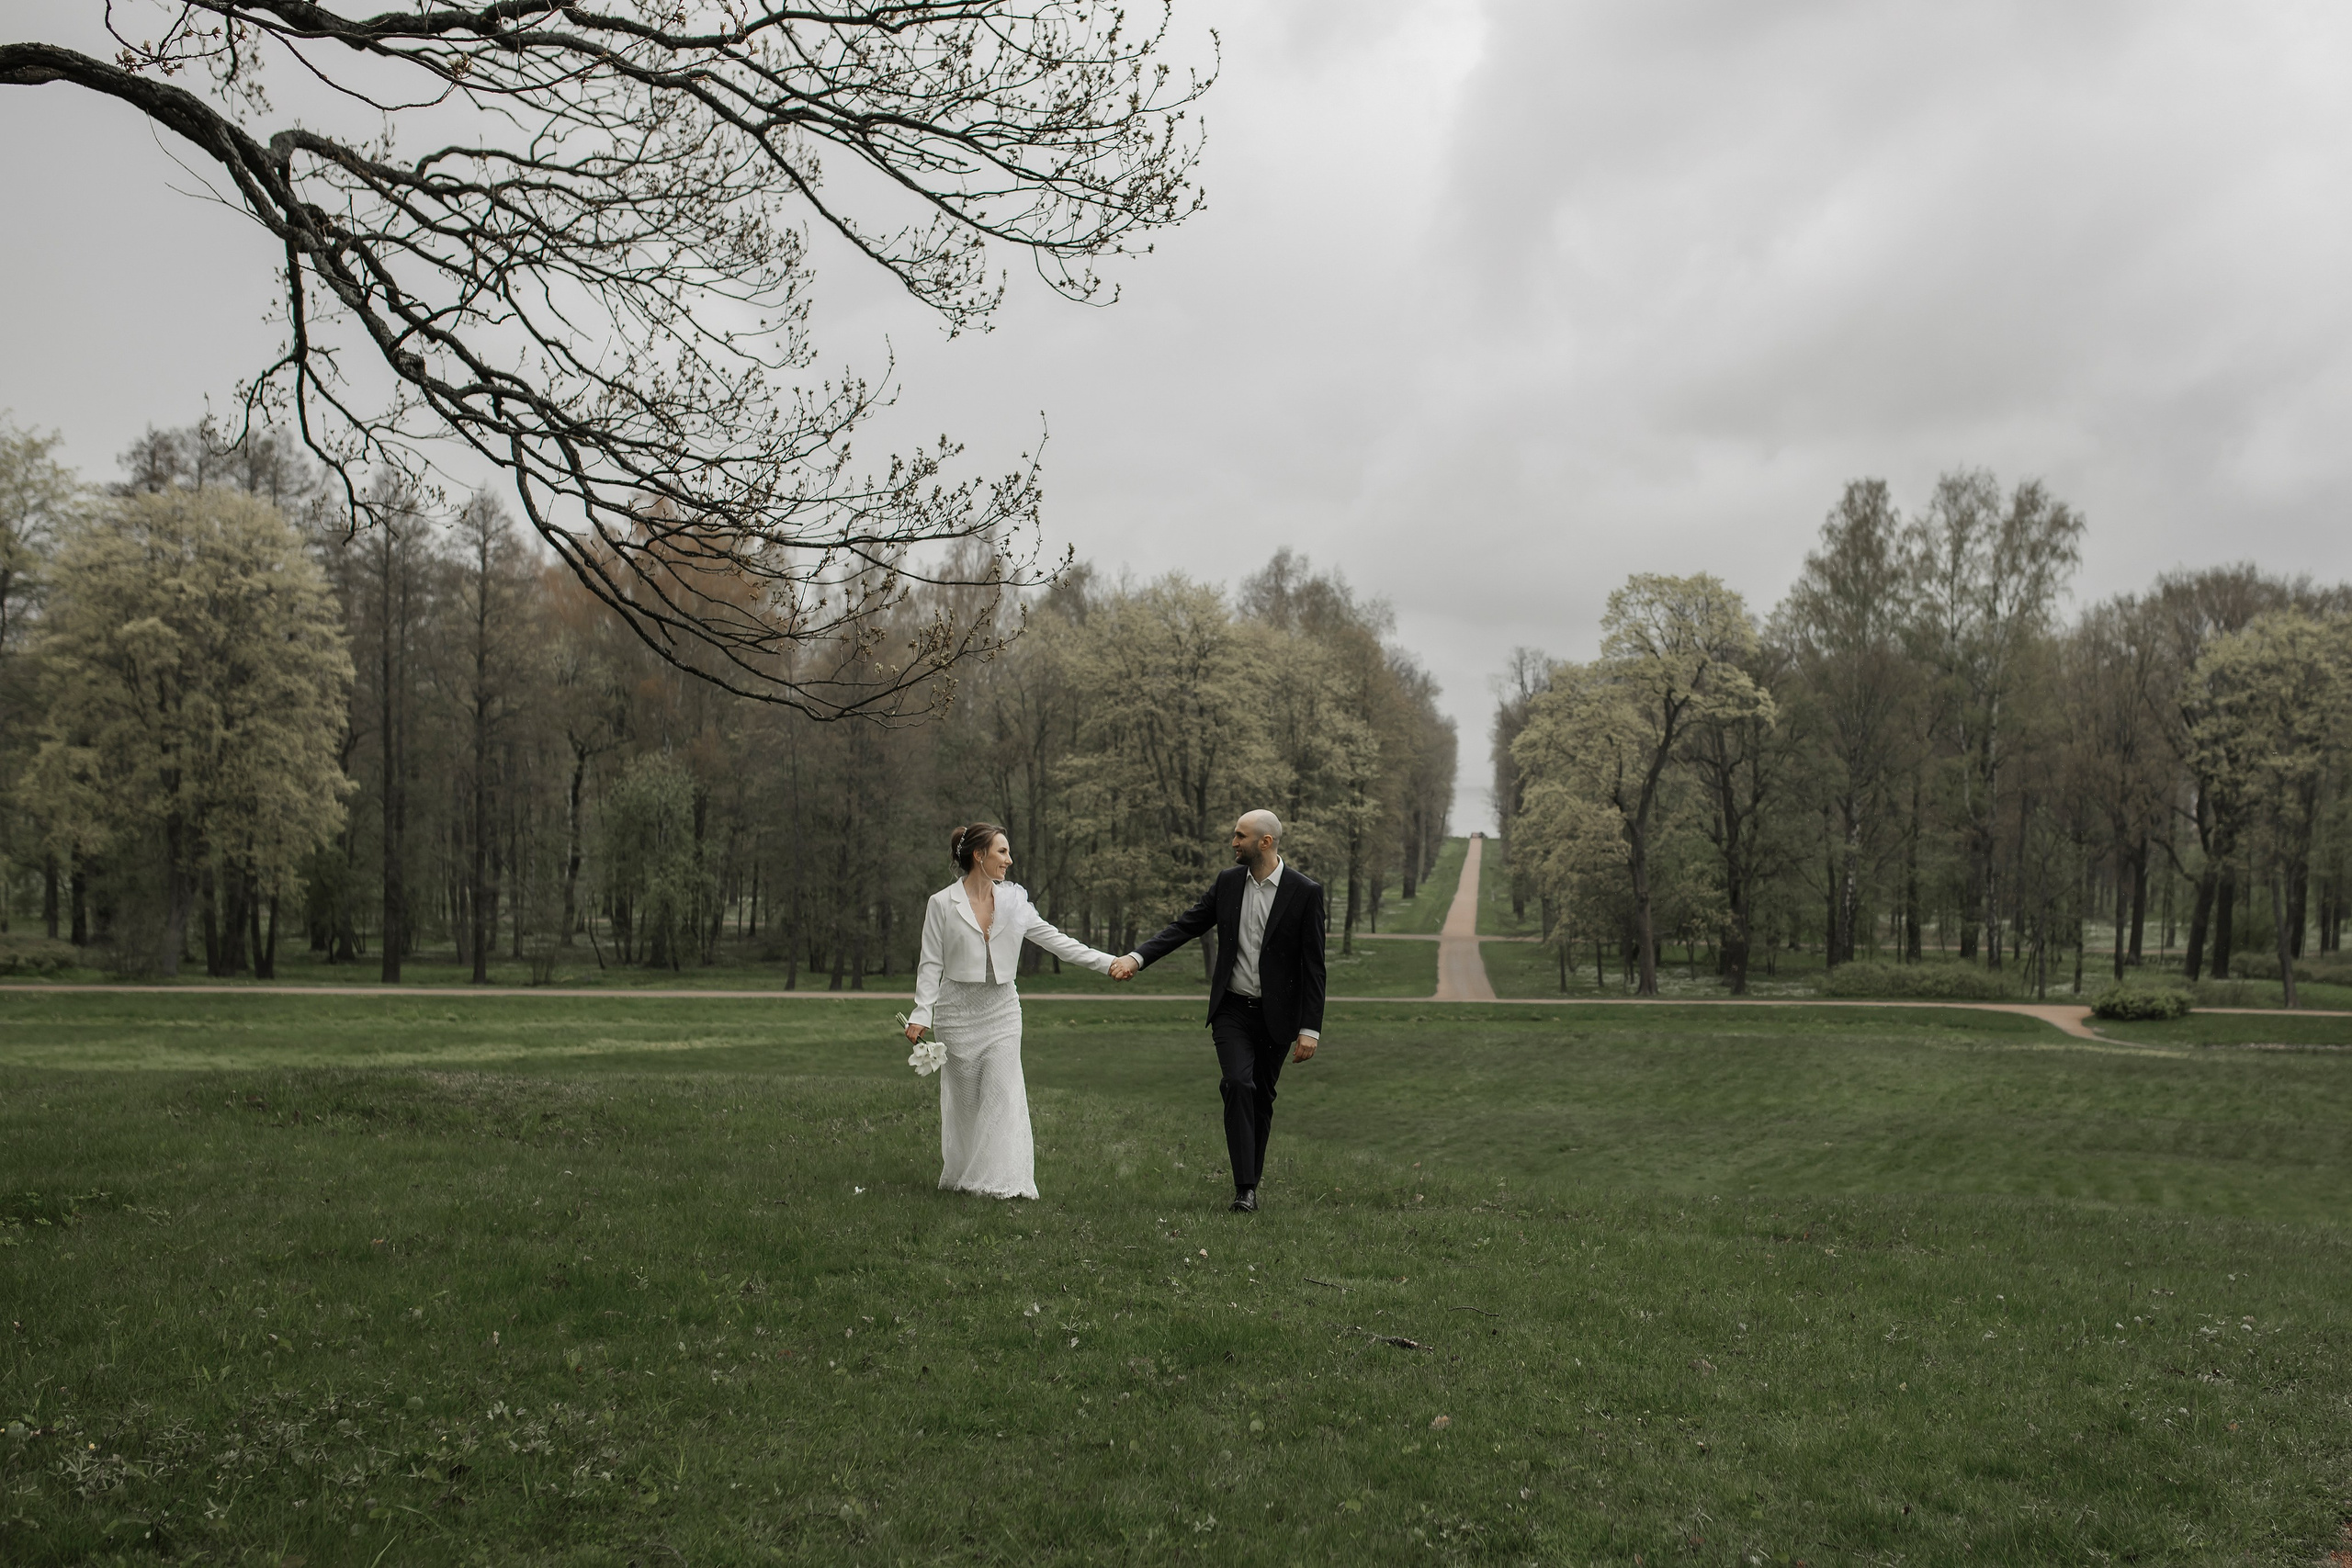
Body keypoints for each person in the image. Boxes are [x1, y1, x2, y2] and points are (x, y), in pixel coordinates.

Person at [1109, 809, 1326, 1213]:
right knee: (1238, 1085)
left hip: (1277, 1017)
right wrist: (1138, 957)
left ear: (1265, 842)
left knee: (1262, 1098)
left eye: (1240, 836)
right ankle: (1245, 1188)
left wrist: (1310, 1028)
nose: (1233, 842)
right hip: (1232, 1010)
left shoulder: (1305, 891)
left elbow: (1314, 965)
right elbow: (1186, 925)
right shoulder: (1228, 883)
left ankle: (1250, 1185)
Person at [905, 822, 1124, 1200]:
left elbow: (1057, 941)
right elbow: (930, 963)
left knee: (1003, 1094)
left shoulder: (1014, 902)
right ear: (979, 856)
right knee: (966, 1102)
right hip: (956, 1011)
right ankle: (964, 1172)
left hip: (1002, 1010)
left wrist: (1110, 963)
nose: (1010, 859)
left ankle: (1000, 1182)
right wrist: (921, 1013)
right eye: (1002, 852)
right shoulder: (941, 903)